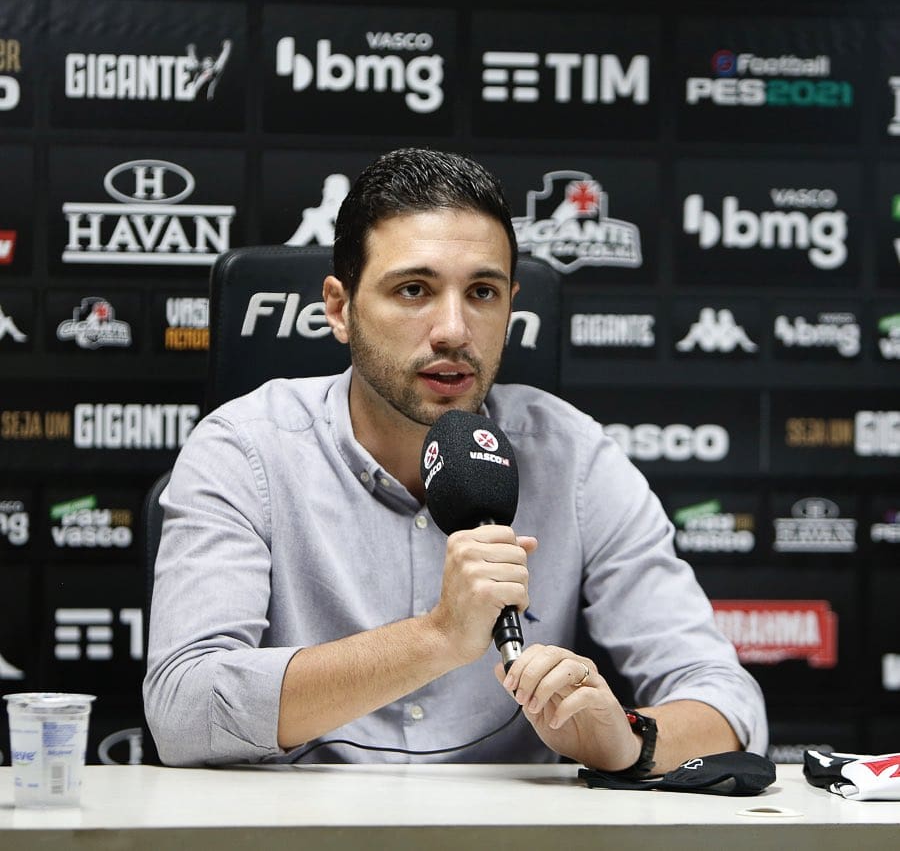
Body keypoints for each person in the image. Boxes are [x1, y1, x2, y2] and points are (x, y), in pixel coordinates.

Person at [144, 148, 767, 770]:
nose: (454, 330)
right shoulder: (246, 448)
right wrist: (437, 637)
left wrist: (626, 740)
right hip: (299, 819)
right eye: (413, 290)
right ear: (339, 308)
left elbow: (727, 701)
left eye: (482, 292)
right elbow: (183, 712)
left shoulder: (573, 457)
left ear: (511, 306)